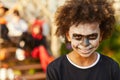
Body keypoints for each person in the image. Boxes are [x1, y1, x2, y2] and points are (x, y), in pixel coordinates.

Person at [46, 0, 120, 80]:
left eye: (92, 36)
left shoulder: (111, 68)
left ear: (101, 35)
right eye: (78, 36)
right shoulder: (55, 69)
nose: (85, 44)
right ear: (68, 36)